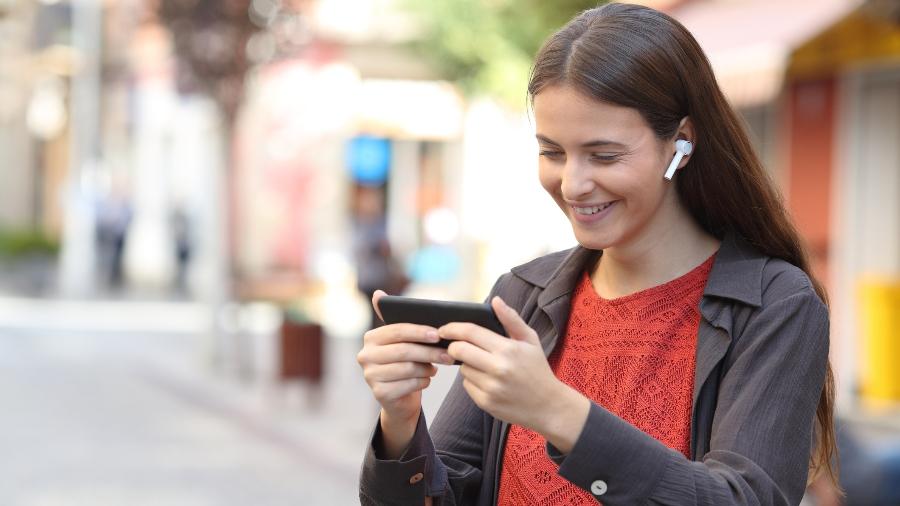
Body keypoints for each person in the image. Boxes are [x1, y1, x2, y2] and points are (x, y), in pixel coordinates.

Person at [356, 3, 836, 505]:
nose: (573, 184)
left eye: (604, 155)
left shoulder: (775, 305)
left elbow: (741, 498)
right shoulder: (522, 295)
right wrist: (401, 420)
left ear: (682, 144)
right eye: (553, 152)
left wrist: (559, 413)